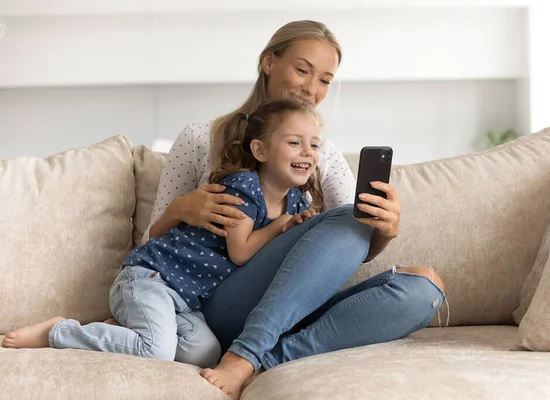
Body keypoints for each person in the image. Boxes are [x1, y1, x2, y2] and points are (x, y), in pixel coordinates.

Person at [147, 20, 447, 400]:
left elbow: (349, 242)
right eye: (302, 70)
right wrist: (180, 208)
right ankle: (244, 352)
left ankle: (261, 361)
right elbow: (149, 246)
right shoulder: (199, 137)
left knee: (424, 287)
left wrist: (384, 230)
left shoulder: (320, 152)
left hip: (295, 310)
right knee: (345, 218)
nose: (311, 89)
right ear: (268, 62)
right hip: (220, 304)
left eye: (324, 79)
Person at [1, 98, 325, 370]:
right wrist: (279, 226)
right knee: (155, 351)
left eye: (314, 145)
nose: (308, 152)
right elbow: (241, 251)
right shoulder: (243, 190)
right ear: (260, 150)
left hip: (186, 301)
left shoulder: (294, 201)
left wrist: (294, 225)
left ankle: (126, 330)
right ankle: (58, 332)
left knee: (206, 354)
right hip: (152, 278)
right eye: (295, 143)